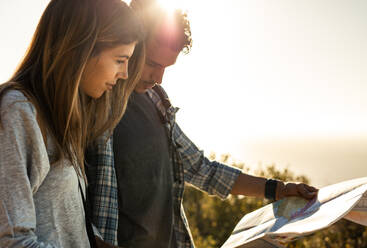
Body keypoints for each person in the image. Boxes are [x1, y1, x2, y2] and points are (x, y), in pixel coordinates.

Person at [86, 0, 318, 247]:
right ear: (131, 44)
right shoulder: (95, 105)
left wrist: (279, 189)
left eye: (166, 67)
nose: (158, 78)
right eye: (152, 64)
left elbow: (201, 169)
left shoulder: (157, 102)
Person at [0, 0, 145, 247]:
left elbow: (61, 224)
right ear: (83, 49)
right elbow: (13, 241)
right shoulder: (17, 112)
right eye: (120, 60)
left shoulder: (61, 119)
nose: (125, 74)